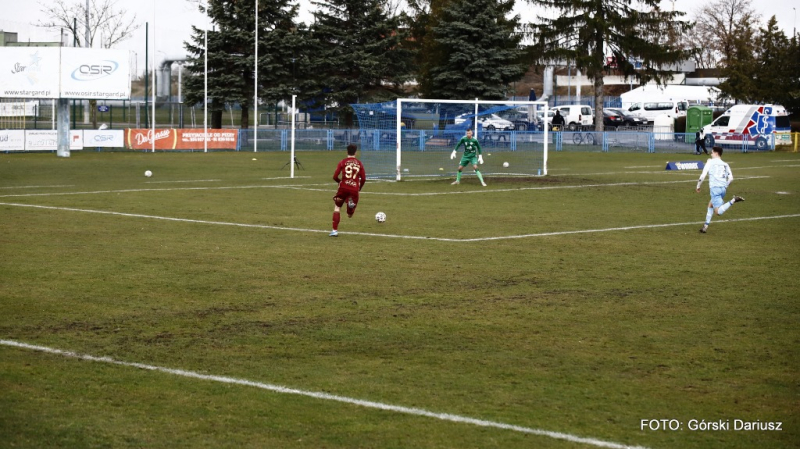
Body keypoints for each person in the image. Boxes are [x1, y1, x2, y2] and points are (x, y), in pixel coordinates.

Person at [695, 146, 745, 234]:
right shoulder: (725, 164)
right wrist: (725, 186)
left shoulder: (710, 162)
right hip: (723, 189)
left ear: (716, 153)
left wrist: (698, 186)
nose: (710, 154)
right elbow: (731, 178)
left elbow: (703, 176)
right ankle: (705, 227)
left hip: (715, 189)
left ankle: (733, 200)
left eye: (712, 152)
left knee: (717, 212)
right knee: (710, 205)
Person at [330, 143, 366, 237]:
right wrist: (359, 188)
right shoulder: (359, 163)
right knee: (350, 215)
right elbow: (363, 178)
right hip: (354, 189)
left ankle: (334, 231)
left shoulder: (342, 162)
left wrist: (339, 182)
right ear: (356, 153)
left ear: (347, 152)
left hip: (343, 188)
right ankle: (350, 208)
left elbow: (335, 176)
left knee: (337, 208)